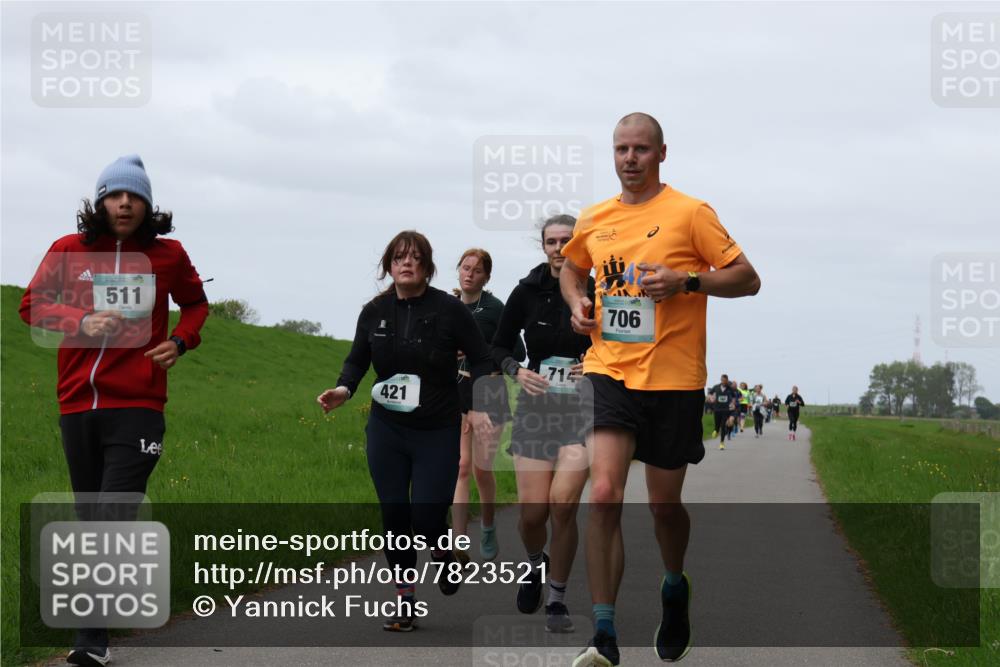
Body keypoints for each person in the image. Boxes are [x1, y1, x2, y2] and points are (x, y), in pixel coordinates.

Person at [560, 113, 760, 666]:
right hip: (608, 369)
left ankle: (674, 586)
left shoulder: (690, 213)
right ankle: (604, 633)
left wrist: (686, 281)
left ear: (662, 153)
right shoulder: (594, 218)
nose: (630, 158)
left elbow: (747, 278)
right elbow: (571, 268)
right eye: (621, 148)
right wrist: (577, 302)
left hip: (673, 378)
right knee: (603, 494)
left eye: (641, 149)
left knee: (663, 506)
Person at [19, 155, 209, 667]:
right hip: (78, 403)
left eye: (135, 196)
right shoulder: (68, 250)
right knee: (90, 518)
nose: (125, 203)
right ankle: (100, 626)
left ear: (148, 205)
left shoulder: (168, 255)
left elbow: (196, 305)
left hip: (140, 403)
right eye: (115, 195)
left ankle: (89, 642)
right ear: (100, 202)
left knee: (110, 514)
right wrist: (81, 319)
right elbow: (32, 306)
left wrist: (180, 341)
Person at [317, 231, 495, 632]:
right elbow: (356, 361)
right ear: (388, 265)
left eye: (414, 257)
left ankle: (444, 553)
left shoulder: (449, 310)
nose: (406, 263)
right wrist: (343, 390)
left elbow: (483, 360)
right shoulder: (375, 311)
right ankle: (405, 601)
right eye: (398, 257)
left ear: (427, 266)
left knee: (428, 516)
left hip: (437, 428)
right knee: (395, 514)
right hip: (387, 428)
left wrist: (478, 406)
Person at [492, 214, 594, 633]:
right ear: (543, 246)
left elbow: (628, 345)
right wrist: (516, 370)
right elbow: (496, 345)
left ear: (578, 244)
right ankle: (535, 564)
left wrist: (594, 364)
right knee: (534, 513)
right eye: (551, 241)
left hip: (584, 410)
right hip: (536, 410)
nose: (558, 248)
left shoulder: (599, 289)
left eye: (566, 241)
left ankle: (557, 599)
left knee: (563, 506)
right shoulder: (526, 291)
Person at [451, 248, 523, 562]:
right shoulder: (449, 307)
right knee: (461, 467)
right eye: (465, 268)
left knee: (481, 469)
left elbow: (516, 350)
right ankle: (458, 544)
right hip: (457, 388)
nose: (469, 274)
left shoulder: (495, 309)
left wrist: (478, 350)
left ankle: (489, 525)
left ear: (486, 277)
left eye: (476, 270)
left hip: (490, 390)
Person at [708, 374, 737, 450]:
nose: (724, 382)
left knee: (723, 426)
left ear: (727, 380)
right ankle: (716, 431)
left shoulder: (729, 388)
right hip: (717, 409)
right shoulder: (716, 387)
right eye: (722, 380)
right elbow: (710, 393)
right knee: (717, 426)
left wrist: (733, 403)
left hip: (725, 410)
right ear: (721, 380)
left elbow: (734, 396)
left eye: (725, 380)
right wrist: (711, 398)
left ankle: (722, 443)